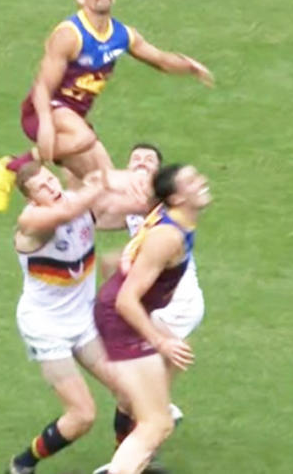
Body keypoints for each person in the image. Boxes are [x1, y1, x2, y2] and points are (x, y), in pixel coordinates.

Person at [0, 0, 214, 212]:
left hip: (74, 120)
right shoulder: (69, 35)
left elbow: (160, 60)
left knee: (106, 186)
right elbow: (42, 86)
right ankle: (14, 165)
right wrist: (47, 124)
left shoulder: (123, 35)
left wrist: (189, 66)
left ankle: (74, 230)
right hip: (46, 110)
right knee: (84, 138)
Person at [5, 161, 141, 474]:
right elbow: (67, 213)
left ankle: (127, 464)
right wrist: (95, 185)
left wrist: (152, 197)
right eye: (41, 187)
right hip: (46, 329)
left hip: (83, 322)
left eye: (50, 179)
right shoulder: (32, 221)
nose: (51, 187)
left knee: (131, 394)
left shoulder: (75, 203)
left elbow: (120, 209)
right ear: (31, 198)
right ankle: (22, 464)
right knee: (82, 416)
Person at [93, 164, 212, 474]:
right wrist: (160, 340)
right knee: (155, 424)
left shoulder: (174, 219)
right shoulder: (168, 236)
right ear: (175, 197)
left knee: (154, 421)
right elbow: (126, 300)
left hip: (130, 316)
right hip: (122, 320)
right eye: (191, 181)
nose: (201, 181)